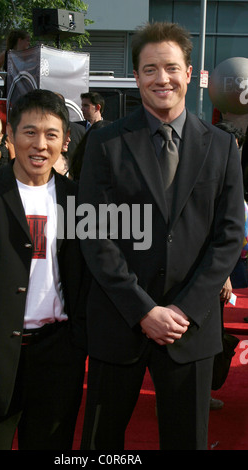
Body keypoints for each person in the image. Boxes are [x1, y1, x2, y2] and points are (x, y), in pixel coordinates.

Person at [78, 21, 244, 450]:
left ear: (191, 72)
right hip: (119, 321)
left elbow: (228, 239)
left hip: (192, 329)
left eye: (171, 67)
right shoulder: (106, 142)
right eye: (149, 69)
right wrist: (143, 311)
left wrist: (183, 310)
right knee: (101, 446)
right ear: (136, 76)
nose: (161, 78)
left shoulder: (223, 147)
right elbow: (95, 236)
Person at [0, 89, 88, 450]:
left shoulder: (79, 202)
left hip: (58, 357)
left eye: (51, 135)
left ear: (65, 141)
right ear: (9, 135)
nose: (39, 145)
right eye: (29, 132)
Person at [0, 29, 30, 97]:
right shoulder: (5, 54)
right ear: (20, 40)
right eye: (27, 40)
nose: (29, 43)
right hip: (10, 89)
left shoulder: (29, 54)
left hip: (24, 90)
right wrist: (4, 77)